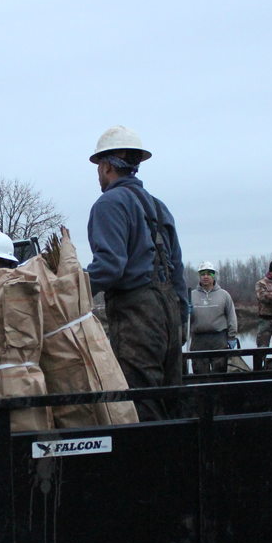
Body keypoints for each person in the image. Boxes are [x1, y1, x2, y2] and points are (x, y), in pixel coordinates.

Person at [85, 125, 187, 421]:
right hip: (169, 313)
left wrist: (69, 291)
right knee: (170, 395)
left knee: (140, 399)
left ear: (105, 166)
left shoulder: (109, 204)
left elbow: (109, 267)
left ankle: (146, 464)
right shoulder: (159, 206)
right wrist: (181, 320)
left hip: (137, 316)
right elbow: (177, 269)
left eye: (98, 168)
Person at [188, 262, 238, 374]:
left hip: (219, 340)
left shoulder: (224, 295)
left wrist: (232, 336)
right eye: (202, 274)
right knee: (200, 376)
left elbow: (231, 316)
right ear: (199, 276)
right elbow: (184, 321)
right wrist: (185, 312)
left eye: (209, 273)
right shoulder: (191, 296)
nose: (206, 276)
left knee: (219, 375)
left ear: (214, 275)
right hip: (198, 341)